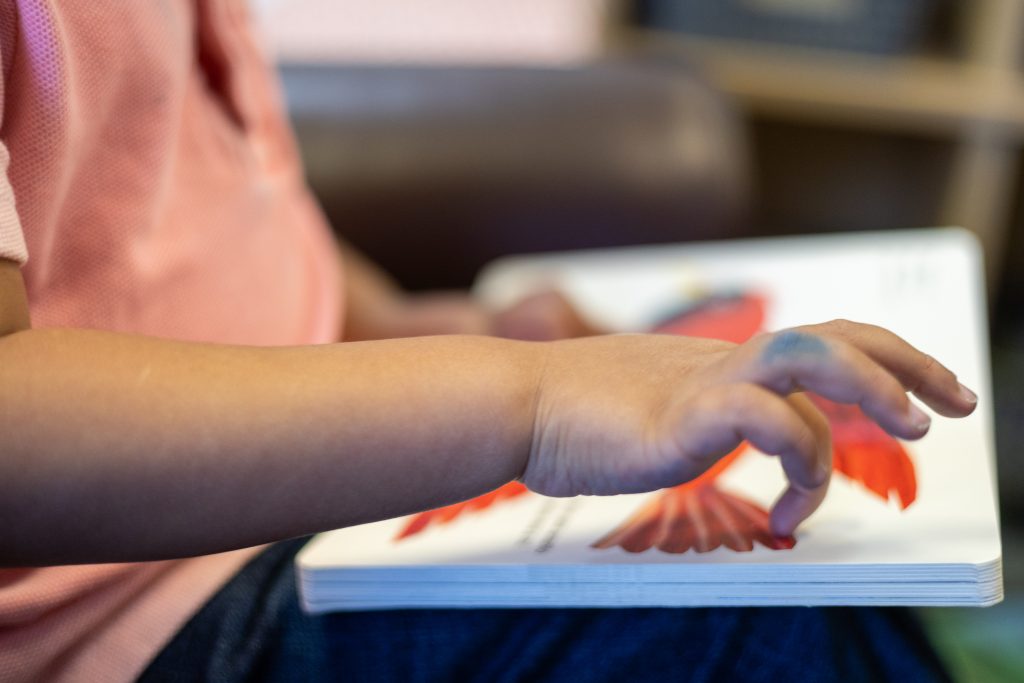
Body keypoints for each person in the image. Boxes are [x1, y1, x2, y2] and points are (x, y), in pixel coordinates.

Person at [0, 2, 975, 681]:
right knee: (710, 614)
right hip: (129, 608)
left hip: (302, 470)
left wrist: (404, 320)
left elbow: (197, 192)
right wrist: (536, 399)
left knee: (823, 555)